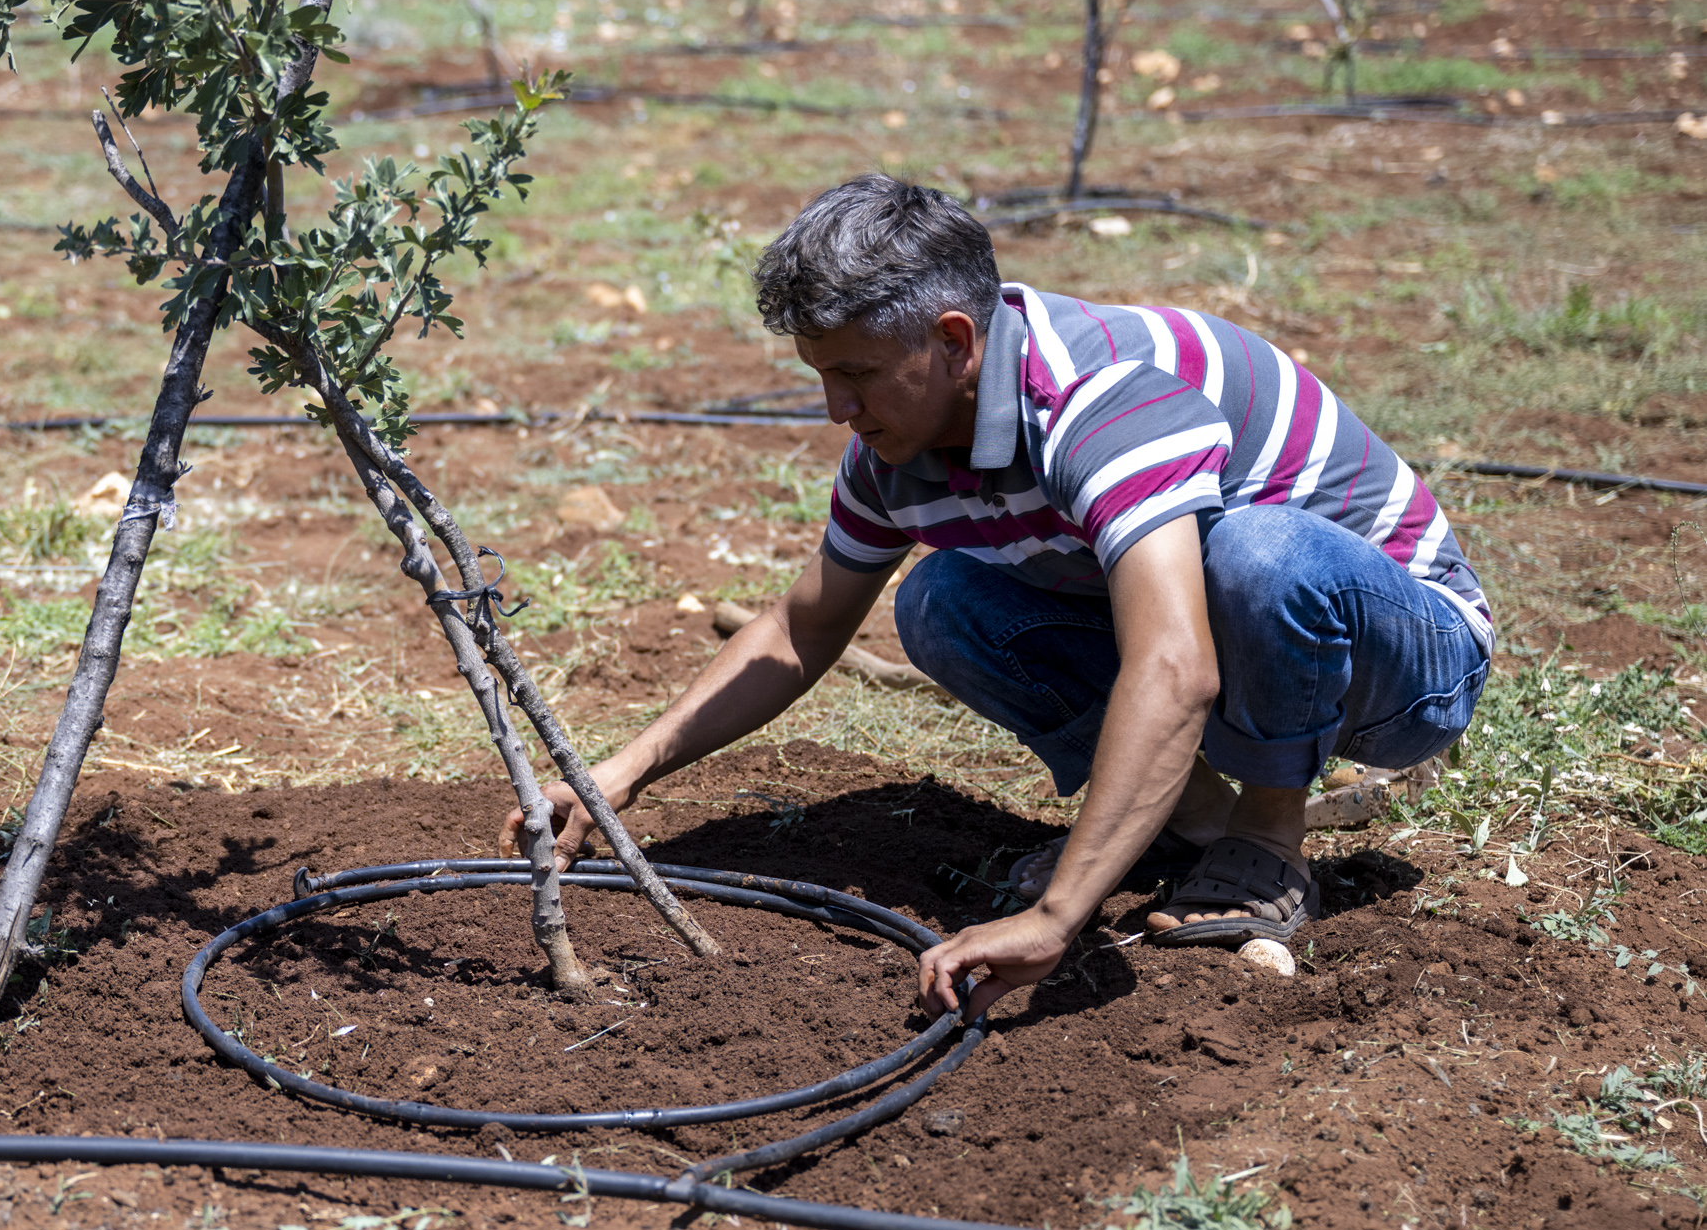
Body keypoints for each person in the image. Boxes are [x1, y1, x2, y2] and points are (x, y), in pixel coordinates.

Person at [512, 176, 1490, 1021]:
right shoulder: (896, 455)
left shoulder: (1098, 398)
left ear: (952, 342)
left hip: (1397, 658)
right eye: (820, 376)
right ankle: (1181, 816)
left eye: (854, 375)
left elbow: (1177, 665)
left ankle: (1267, 839)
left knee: (1255, 552)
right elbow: (800, 626)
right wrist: (619, 772)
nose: (834, 411)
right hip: (1234, 641)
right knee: (942, 595)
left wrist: (1058, 918)